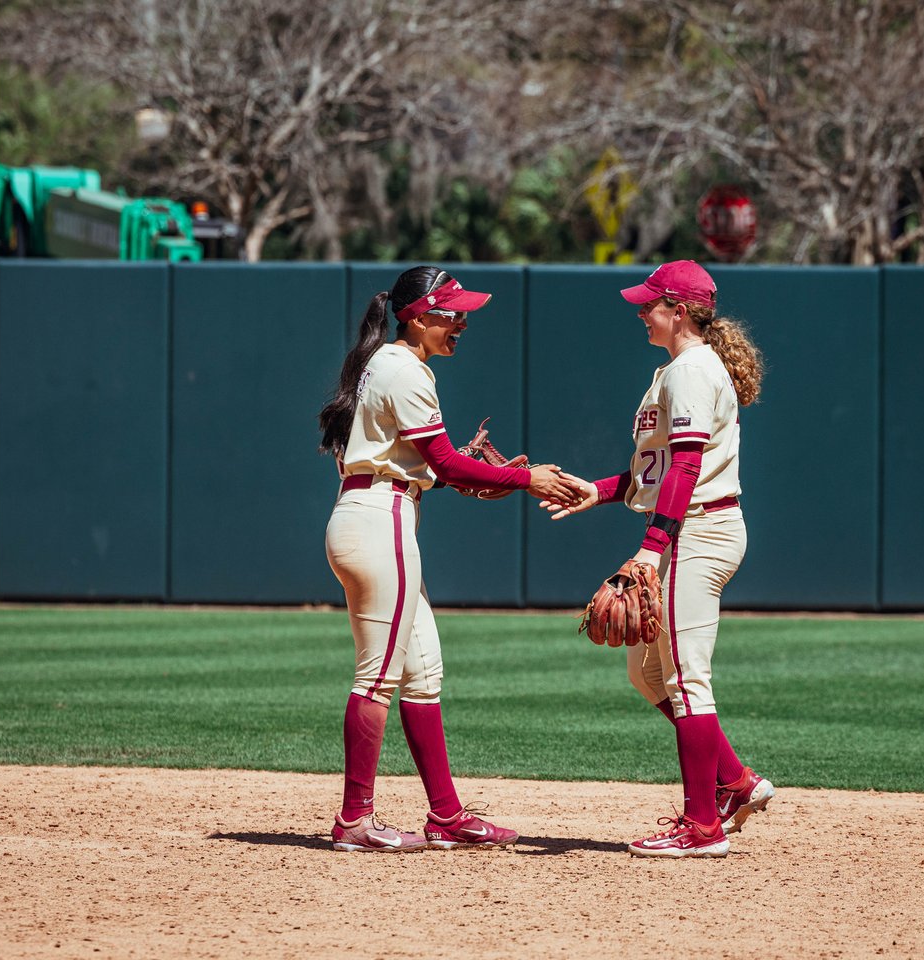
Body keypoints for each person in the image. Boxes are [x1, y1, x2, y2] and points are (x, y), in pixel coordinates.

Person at [318, 265, 581, 852]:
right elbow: (444, 461)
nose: (461, 321)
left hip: (379, 511)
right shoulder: (404, 369)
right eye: (450, 311)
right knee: (378, 675)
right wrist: (525, 479)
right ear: (416, 315)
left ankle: (446, 815)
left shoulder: (383, 363)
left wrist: (456, 474)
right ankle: (354, 821)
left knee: (423, 669)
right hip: (379, 520)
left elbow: (429, 466)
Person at [543, 260, 774, 858]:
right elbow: (661, 470)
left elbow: (690, 468)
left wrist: (652, 547)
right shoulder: (676, 370)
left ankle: (703, 827)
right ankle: (736, 782)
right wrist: (598, 490)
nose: (640, 311)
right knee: (647, 675)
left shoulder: (693, 369)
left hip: (698, 531)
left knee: (687, 679)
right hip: (686, 526)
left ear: (679, 311)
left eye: (650, 304)